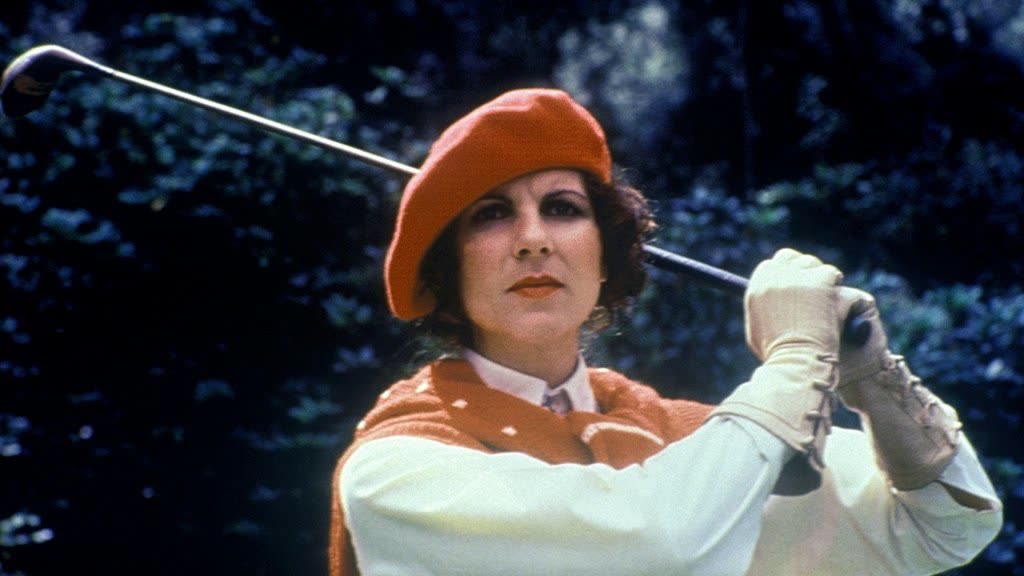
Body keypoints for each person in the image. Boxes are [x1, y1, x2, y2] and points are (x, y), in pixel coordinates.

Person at [329, 89, 1002, 576]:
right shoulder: (396, 467)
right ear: (447, 270)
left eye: (562, 209)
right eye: (491, 215)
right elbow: (659, 544)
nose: (533, 239)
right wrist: (798, 358)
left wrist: (873, 377)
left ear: (605, 255)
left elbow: (945, 527)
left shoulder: (674, 435)